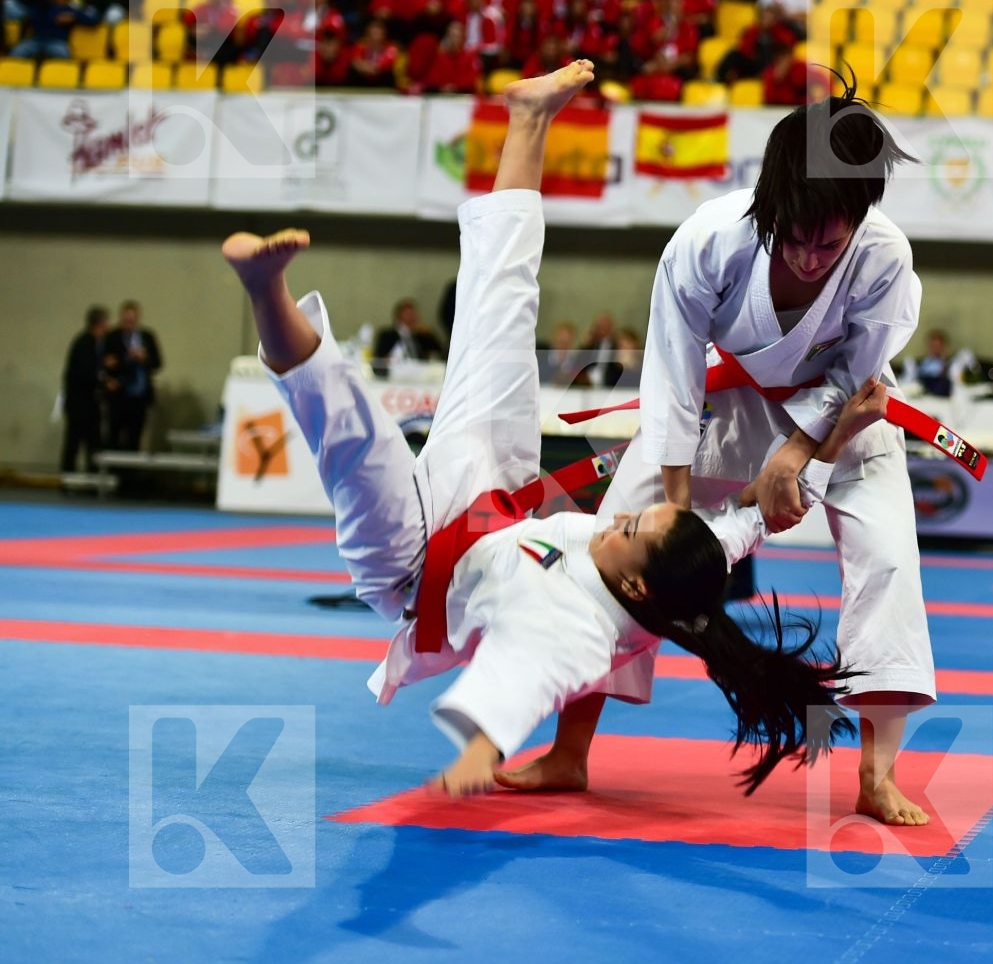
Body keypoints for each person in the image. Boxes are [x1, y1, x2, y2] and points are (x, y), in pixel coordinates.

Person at [218, 61, 868, 797]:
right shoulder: (682, 564)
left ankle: (265, 290)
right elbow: (750, 520)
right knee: (499, 311)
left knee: (356, 441)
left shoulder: (577, 630)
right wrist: (833, 438)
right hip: (490, 500)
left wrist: (477, 754)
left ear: (631, 581)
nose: (617, 514)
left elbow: (518, 683)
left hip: (410, 567)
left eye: (632, 526)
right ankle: (529, 119)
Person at [506, 79, 943, 827]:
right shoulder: (709, 240)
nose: (811, 257)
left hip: (848, 409)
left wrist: (797, 453)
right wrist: (675, 511)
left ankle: (877, 774)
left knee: (890, 557)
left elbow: (854, 374)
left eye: (830, 243)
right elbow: (672, 376)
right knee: (621, 541)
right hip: (725, 395)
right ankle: (567, 750)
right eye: (796, 238)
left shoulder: (884, 258)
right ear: (771, 205)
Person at [102, 301, 161, 453]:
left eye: (132, 320)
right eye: (126, 320)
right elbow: (106, 362)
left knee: (135, 436)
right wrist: (127, 358)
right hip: (119, 394)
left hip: (139, 396)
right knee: (114, 435)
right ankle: (114, 466)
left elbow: (157, 362)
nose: (129, 323)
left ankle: (131, 467)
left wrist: (144, 358)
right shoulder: (112, 337)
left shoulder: (147, 337)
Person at [61, 306, 111, 475]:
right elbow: (85, 374)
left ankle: (93, 476)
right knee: (74, 441)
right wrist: (104, 382)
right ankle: (68, 477)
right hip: (80, 404)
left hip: (89, 403)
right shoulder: (85, 344)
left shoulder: (95, 344)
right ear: (99, 324)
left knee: (93, 442)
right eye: (106, 322)